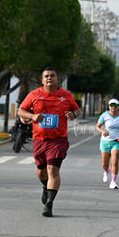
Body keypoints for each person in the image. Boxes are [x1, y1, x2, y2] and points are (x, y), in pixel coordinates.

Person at [18, 67, 81, 217]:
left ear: (57, 79)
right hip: (39, 139)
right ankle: (46, 187)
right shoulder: (34, 95)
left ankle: (49, 204)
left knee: (53, 169)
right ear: (42, 80)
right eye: (46, 76)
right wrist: (32, 116)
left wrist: (73, 114)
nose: (49, 78)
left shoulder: (66, 96)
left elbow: (77, 110)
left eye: (52, 76)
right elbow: (21, 111)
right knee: (41, 171)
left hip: (58, 139)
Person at [96, 99, 119, 189]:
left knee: (115, 161)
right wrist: (102, 131)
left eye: (115, 105)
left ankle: (113, 181)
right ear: (109, 106)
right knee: (105, 164)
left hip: (117, 141)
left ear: (118, 107)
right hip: (105, 141)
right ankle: (106, 171)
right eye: (111, 105)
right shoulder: (104, 115)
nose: (113, 107)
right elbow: (97, 126)